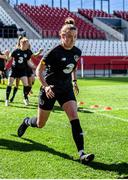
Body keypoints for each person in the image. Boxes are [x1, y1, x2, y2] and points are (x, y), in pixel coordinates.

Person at [17, 23, 95, 163]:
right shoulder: (54, 52)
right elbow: (38, 71)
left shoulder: (77, 52)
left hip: (66, 89)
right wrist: (46, 87)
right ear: (62, 36)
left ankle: (82, 153)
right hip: (50, 90)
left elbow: (72, 67)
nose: (73, 39)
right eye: (70, 37)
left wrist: (74, 81)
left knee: (74, 118)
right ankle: (27, 121)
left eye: (75, 37)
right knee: (40, 123)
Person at [5, 36, 36, 106]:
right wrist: (7, 55)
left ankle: (25, 98)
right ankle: (7, 100)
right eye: (27, 44)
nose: (28, 45)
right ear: (23, 44)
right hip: (14, 69)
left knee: (26, 84)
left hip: (22, 70)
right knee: (10, 83)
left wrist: (34, 67)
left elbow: (28, 62)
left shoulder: (27, 51)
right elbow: (9, 59)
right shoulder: (15, 50)